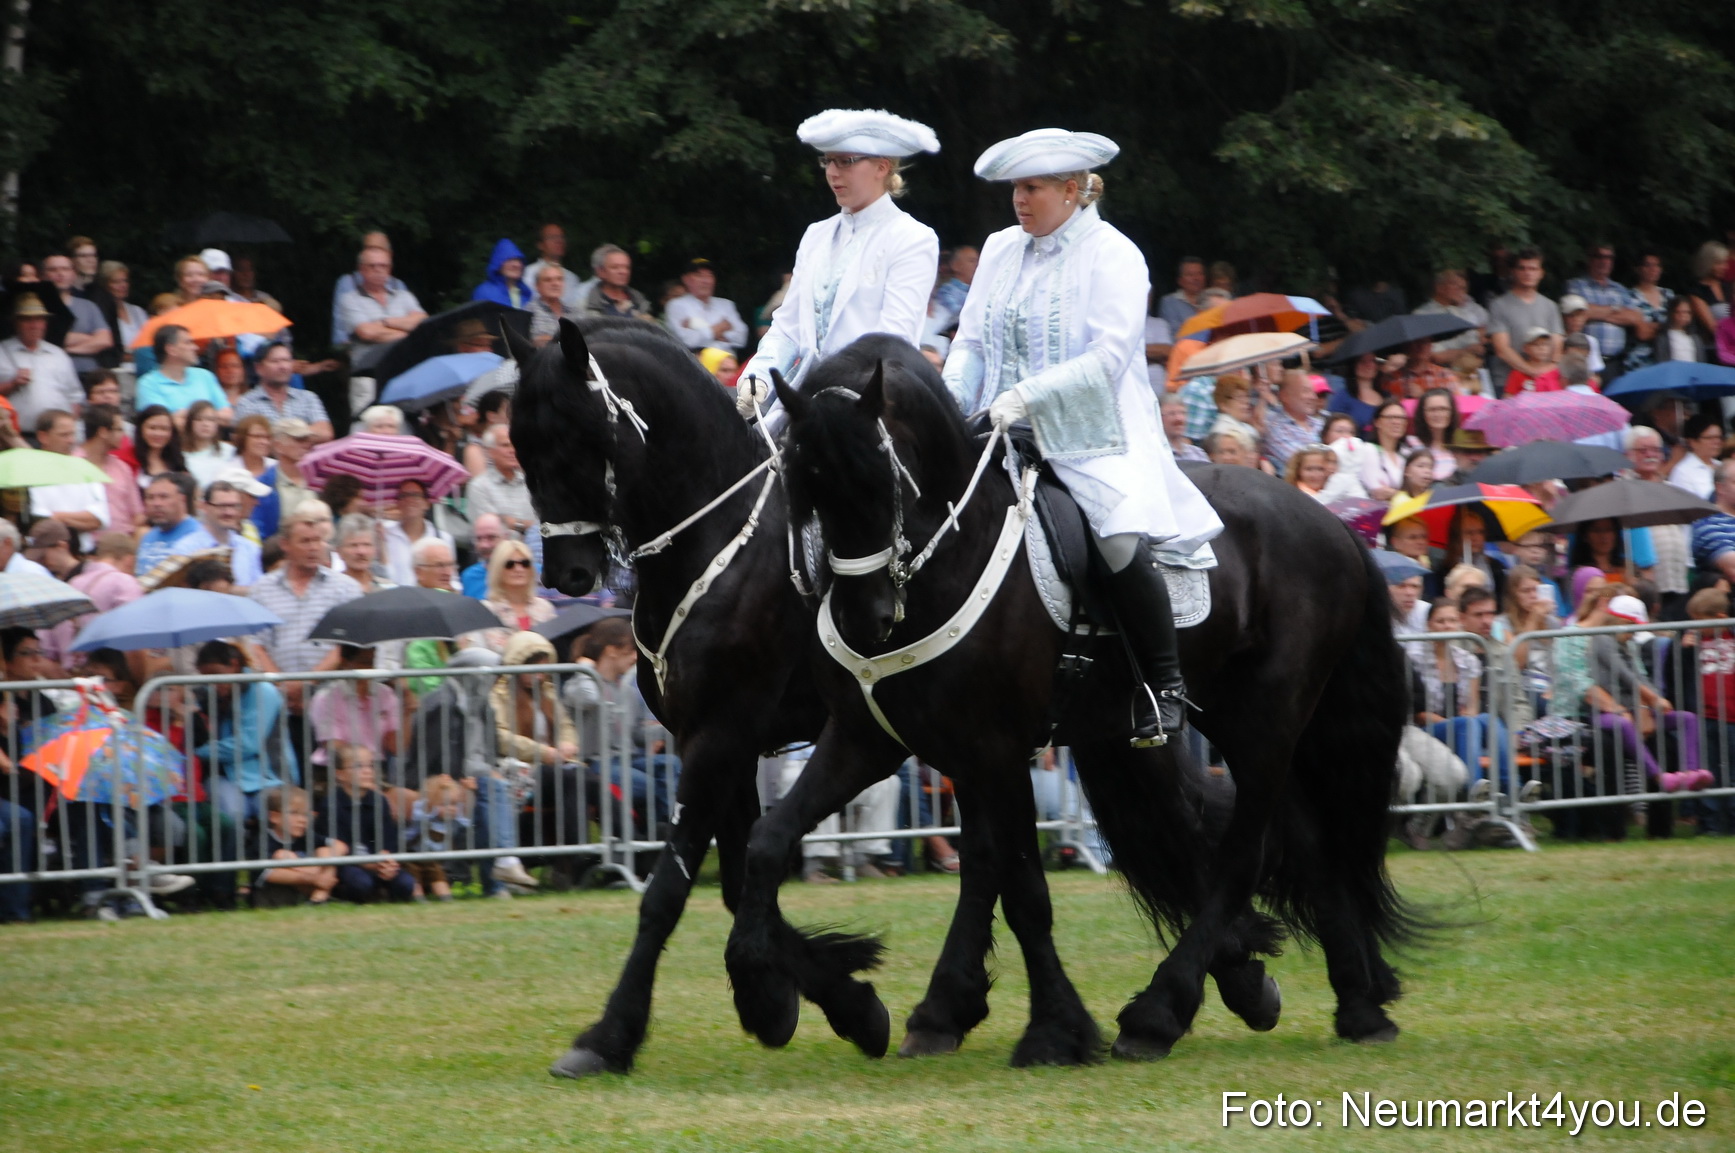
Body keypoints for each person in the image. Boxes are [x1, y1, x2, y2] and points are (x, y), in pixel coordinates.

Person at [942, 128, 1222, 741]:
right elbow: (970, 340)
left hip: (1092, 429)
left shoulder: (1113, 252)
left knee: (1118, 536)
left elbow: (1110, 357)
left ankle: (1164, 684)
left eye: (1032, 187)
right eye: (1015, 188)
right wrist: (953, 401)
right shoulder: (998, 248)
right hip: (997, 422)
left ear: (1073, 189)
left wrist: (1026, 396)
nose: (1019, 199)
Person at [737, 108, 941, 419]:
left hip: (867, 407)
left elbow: (891, 342)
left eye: (845, 161)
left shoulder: (912, 237)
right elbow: (789, 326)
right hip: (804, 400)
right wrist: (760, 375)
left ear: (882, 167)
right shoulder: (816, 235)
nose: (832, 172)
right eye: (827, 161)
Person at [1553, 589, 1708, 794]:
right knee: (1623, 723)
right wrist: (1654, 699)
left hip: (1631, 707)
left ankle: (1690, 773)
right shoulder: (1601, 639)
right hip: (1603, 713)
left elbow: (1642, 676)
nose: (1634, 632)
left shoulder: (1628, 644)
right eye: (1632, 626)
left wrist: (1650, 703)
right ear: (1618, 620)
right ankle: (1659, 776)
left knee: (1687, 719)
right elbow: (1625, 673)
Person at [247, 517, 365, 751]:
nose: (313, 548)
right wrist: (283, 684)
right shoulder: (261, 589)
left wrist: (306, 682)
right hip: (279, 699)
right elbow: (255, 644)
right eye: (305, 541)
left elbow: (348, 643)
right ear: (285, 545)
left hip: (333, 699)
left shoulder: (345, 587)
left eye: (318, 541)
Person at [1407, 597, 1513, 795]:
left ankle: (1511, 789)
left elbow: (1472, 706)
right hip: (1426, 729)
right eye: (1441, 621)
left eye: (1452, 621)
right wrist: (1456, 723)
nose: (1448, 626)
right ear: (1429, 625)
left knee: (1487, 719)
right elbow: (1418, 713)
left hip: (1462, 728)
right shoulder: (1413, 658)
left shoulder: (1468, 660)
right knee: (1468, 725)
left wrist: (1463, 721)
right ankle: (1473, 792)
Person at [315, 743, 418, 903]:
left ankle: (381, 891)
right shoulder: (331, 804)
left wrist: (387, 860)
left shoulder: (379, 801)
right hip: (350, 864)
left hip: (377, 862)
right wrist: (370, 864)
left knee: (405, 884)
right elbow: (340, 847)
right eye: (358, 766)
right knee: (360, 884)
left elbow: (389, 838)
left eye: (370, 765)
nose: (367, 771)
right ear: (340, 774)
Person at [0, 291, 84, 431]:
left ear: (45, 323)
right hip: (17, 435)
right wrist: (12, 384)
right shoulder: (2, 351)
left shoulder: (58, 354)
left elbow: (74, 397)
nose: (34, 325)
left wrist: (70, 428)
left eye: (39, 319)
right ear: (16, 322)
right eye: (27, 320)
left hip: (56, 437)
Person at [1564, 244, 1649, 379]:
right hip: (1585, 361)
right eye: (1600, 257)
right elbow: (1579, 312)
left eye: (1609, 257)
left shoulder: (1620, 289)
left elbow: (1635, 317)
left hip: (1615, 363)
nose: (1605, 261)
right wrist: (1616, 310)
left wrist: (1595, 312)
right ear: (1590, 259)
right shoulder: (1576, 285)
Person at [27, 409, 108, 548]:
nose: (71, 440)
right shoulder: (29, 472)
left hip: (83, 552)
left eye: (73, 434)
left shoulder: (86, 469)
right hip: (44, 551)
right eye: (64, 435)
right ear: (43, 437)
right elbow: (40, 520)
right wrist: (77, 520)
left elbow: (99, 519)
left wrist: (59, 517)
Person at [251, 787, 341, 907]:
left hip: (308, 886)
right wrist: (313, 877)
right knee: (282, 855)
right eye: (294, 813)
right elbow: (267, 874)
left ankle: (320, 896)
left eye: (305, 815)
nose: (302, 820)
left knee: (326, 850)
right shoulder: (263, 840)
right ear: (274, 817)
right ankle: (318, 896)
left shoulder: (305, 835)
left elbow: (340, 845)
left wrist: (325, 871)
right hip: (271, 895)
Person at [340, 246, 426, 369]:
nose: (378, 270)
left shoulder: (404, 296)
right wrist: (410, 334)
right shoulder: (350, 299)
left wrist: (385, 322)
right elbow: (367, 332)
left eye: (383, 266)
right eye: (372, 266)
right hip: (369, 372)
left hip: (404, 368)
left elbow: (423, 322)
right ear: (361, 269)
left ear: (390, 269)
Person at [232, 341, 334, 441]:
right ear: (259, 368)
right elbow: (250, 442)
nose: (283, 367)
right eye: (275, 361)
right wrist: (304, 433)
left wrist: (279, 434)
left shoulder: (308, 398)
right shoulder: (247, 402)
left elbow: (325, 433)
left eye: (286, 360)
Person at [1488, 248, 1563, 381]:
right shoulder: (1499, 305)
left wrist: (1549, 368)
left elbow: (1557, 344)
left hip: (1545, 380)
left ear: (1541, 273)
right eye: (1522, 268)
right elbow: (1502, 349)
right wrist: (1531, 371)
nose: (1527, 273)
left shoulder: (1550, 306)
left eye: (1533, 269)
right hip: (1508, 379)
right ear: (1513, 272)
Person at [136, 325, 231, 424]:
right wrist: (209, 416)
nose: (195, 347)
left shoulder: (205, 376)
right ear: (171, 349)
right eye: (188, 343)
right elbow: (160, 424)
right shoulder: (148, 384)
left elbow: (227, 416)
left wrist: (185, 415)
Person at [178, 479, 265, 586]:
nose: (229, 512)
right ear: (204, 507)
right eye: (222, 506)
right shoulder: (186, 549)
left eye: (234, 506)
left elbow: (258, 590)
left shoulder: (249, 548)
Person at [40, 252, 114, 373]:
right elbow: (45, 339)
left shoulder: (88, 306)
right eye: (53, 270)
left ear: (73, 274)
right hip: (49, 373)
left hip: (88, 374)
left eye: (65, 269)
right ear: (43, 276)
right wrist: (89, 338)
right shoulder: (37, 307)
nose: (60, 274)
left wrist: (66, 350)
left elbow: (105, 340)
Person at [664, 257, 748, 354]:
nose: (706, 281)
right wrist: (719, 329)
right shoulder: (676, 306)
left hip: (727, 362)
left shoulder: (726, 305)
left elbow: (742, 338)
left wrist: (698, 328)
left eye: (710, 275)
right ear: (686, 279)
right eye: (699, 275)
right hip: (696, 363)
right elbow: (688, 341)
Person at [380, 479, 454, 587]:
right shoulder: (384, 535)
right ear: (397, 503)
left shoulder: (442, 538)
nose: (410, 500)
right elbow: (383, 577)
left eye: (416, 495)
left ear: (427, 503)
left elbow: (452, 579)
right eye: (404, 496)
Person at [464, 424, 535, 537]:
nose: (512, 450)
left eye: (515, 445)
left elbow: (543, 524)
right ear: (490, 451)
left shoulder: (532, 483)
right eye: (506, 445)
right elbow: (490, 529)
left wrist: (512, 523)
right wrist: (527, 525)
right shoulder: (479, 486)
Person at [252, 417, 316, 540]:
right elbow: (260, 532)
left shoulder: (319, 481)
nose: (306, 445)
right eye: (299, 440)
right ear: (278, 446)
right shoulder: (262, 486)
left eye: (308, 440)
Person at [482, 539, 554, 643]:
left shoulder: (545, 607)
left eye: (525, 563)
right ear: (498, 570)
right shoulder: (487, 610)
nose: (518, 569)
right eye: (509, 564)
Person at [1412, 269, 1489, 363]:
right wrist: (1466, 351)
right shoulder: (1422, 315)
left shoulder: (1466, 310)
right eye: (1455, 285)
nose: (1461, 290)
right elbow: (1434, 355)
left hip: (1475, 367)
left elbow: (1486, 334)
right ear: (1439, 287)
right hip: (1442, 371)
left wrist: (1482, 336)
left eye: (1463, 288)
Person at [133, 472, 205, 574]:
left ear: (182, 499)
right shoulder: (147, 537)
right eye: (150, 497)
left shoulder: (198, 536)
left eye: (164, 497)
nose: (156, 503)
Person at [1259, 365, 1323, 474]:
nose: (1313, 397)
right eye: (1306, 391)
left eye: (1313, 392)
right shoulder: (1275, 426)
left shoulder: (1321, 422)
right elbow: (1301, 462)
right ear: (1285, 396)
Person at [90, 261, 149, 362]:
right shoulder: (99, 312)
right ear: (105, 285)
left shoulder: (138, 311)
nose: (123, 285)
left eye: (125, 281)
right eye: (116, 282)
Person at [1361, 400, 1418, 500]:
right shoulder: (1368, 450)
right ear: (1377, 422)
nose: (1397, 422)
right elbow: (1377, 491)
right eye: (1391, 417)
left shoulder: (1407, 453)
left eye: (1401, 418)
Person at [581, 244, 654, 321]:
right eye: (615, 267)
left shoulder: (640, 302)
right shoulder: (586, 304)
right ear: (600, 271)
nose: (623, 272)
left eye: (627, 267)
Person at [524, 223, 585, 310]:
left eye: (561, 237)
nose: (559, 241)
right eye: (552, 237)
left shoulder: (572, 278)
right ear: (540, 245)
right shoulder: (528, 273)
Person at [178, 400, 236, 490]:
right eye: (199, 419)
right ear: (190, 423)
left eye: (210, 420)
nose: (205, 424)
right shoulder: (179, 455)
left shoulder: (230, 451)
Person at [1328, 351, 1387, 432]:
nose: (1370, 365)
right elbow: (1333, 424)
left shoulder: (1386, 396)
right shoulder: (1342, 396)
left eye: (1373, 361)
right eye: (1363, 361)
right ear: (1354, 365)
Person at [1668, 413, 1721, 501]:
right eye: (1710, 438)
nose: (1717, 442)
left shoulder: (1722, 466)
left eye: (1719, 437)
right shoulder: (1683, 472)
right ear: (1693, 442)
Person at [1686, 241, 1730, 346]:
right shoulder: (1697, 292)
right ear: (1708, 264)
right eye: (1719, 263)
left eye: (1725, 263)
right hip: (1713, 349)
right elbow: (1712, 328)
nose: (1725, 267)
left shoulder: (1728, 287)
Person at [335, 513, 392, 593]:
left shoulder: (388, 588)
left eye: (367, 545)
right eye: (353, 545)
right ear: (339, 551)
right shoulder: (331, 589)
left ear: (375, 550)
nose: (361, 551)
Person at [1410, 388, 1460, 478]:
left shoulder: (1461, 447)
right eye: (1432, 410)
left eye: (1443, 409)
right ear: (1422, 414)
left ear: (1452, 412)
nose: (1438, 414)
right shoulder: (1412, 444)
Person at [472, 239, 532, 309]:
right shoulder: (484, 292)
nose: (516, 265)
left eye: (519, 260)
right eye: (509, 260)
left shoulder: (526, 293)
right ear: (497, 265)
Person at [460, 513, 506, 598]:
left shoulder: (530, 571)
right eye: (478, 539)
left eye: (491, 537)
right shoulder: (469, 576)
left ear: (505, 537)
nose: (484, 545)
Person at [1652, 296, 1707, 364]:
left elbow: (1701, 362)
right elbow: (1662, 361)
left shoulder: (1696, 338)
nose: (1683, 316)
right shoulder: (1663, 338)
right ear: (1671, 313)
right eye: (1678, 312)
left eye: (1687, 312)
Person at [529, 263, 570, 347]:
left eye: (559, 279)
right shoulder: (529, 312)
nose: (555, 284)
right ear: (537, 286)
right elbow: (534, 342)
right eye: (548, 280)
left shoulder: (575, 312)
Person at [1159, 395, 1208, 463]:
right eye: (1172, 413)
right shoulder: (1156, 453)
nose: (1179, 418)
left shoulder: (1198, 454)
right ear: (1158, 417)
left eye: (1182, 413)